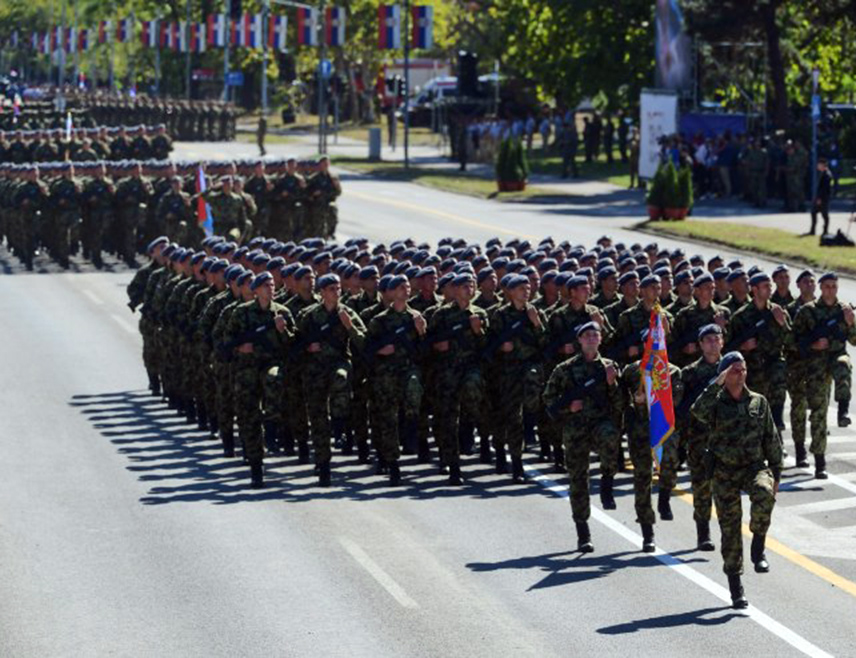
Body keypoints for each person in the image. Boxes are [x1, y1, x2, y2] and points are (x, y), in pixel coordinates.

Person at [690, 351, 782, 609]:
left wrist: (777, 473)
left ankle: (759, 545)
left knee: (764, 493)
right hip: (725, 471)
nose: (740, 373)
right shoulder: (716, 402)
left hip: (754, 467)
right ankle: (736, 587)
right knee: (730, 530)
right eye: (734, 370)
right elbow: (697, 412)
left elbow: (771, 439)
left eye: (743, 369)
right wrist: (715, 384)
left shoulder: (759, 402)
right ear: (723, 375)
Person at [543, 322, 623, 553]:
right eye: (586, 335)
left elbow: (619, 404)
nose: (591, 339)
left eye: (595, 335)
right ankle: (583, 532)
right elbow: (549, 401)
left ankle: (607, 480)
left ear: (600, 339)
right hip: (575, 430)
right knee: (578, 480)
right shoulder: (564, 369)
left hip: (600, 425)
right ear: (579, 340)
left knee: (610, 437)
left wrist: (612, 383)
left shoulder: (609, 367)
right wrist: (570, 407)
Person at [296, 273, 365, 486]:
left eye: (338, 288)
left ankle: (340, 423)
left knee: (341, 378)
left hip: (338, 365)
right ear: (322, 292)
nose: (337, 292)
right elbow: (294, 344)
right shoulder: (308, 316)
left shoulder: (347, 313)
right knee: (317, 419)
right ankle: (323, 464)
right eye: (332, 289)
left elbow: (364, 342)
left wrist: (349, 327)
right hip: (314, 372)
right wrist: (307, 347)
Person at [792, 271, 856, 478]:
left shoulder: (845, 310)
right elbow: (792, 341)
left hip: (837, 358)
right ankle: (820, 462)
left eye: (834, 286)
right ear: (820, 288)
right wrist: (812, 344)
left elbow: (854, 341)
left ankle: (843, 411)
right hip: (815, 366)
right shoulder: (807, 311)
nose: (830, 290)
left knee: (844, 366)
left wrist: (851, 323)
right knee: (818, 413)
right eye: (826, 286)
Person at [808, 158, 832, 236]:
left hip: (823, 198)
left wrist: (819, 198)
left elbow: (824, 189)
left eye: (819, 165)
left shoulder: (827, 175)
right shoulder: (823, 173)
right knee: (814, 213)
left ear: (823, 165)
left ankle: (825, 231)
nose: (817, 166)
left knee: (824, 215)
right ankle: (813, 230)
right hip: (820, 197)